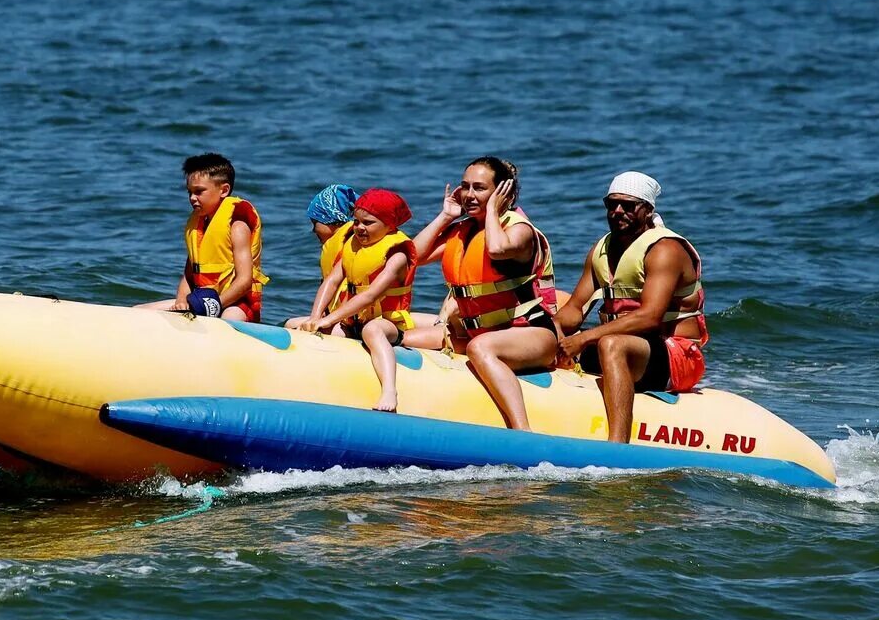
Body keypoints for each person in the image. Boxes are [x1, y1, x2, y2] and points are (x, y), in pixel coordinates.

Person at [402, 158, 561, 429]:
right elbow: (412, 256)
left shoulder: (519, 229)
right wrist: (446, 216)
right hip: (479, 332)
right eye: (465, 187)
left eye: (479, 188)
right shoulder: (461, 230)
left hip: (532, 334)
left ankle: (523, 431)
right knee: (407, 338)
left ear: (502, 193)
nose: (469, 195)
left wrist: (493, 212)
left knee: (480, 347)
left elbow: (497, 249)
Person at [556, 171, 708, 443]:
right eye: (611, 204)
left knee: (611, 344)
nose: (617, 211)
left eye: (628, 205)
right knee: (552, 321)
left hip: (676, 355)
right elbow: (575, 309)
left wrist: (584, 338)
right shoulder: (601, 249)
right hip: (631, 349)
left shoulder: (665, 250)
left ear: (648, 210)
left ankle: (618, 445)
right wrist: (551, 330)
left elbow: (650, 317)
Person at [292, 188, 417, 412]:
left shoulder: (396, 255)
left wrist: (329, 320)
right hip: (352, 323)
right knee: (295, 325)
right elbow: (331, 281)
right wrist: (315, 317)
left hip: (386, 322)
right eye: (356, 222)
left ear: (389, 225)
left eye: (368, 223)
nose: (359, 228)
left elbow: (370, 295)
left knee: (372, 330)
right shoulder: (352, 247)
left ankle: (389, 389)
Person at [139, 153, 266, 321]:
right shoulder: (197, 227)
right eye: (190, 192)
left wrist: (215, 305)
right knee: (139, 311)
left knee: (228, 319)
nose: (192, 198)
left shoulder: (238, 225)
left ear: (224, 190)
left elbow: (244, 280)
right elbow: (189, 274)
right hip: (201, 301)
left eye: (199, 191)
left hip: (238, 304)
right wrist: (181, 301)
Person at [302, 184, 359, 322]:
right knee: (289, 323)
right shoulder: (347, 241)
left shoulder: (353, 247)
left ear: (332, 219)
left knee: (289, 324)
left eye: (316, 222)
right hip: (338, 319)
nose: (313, 230)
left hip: (352, 323)